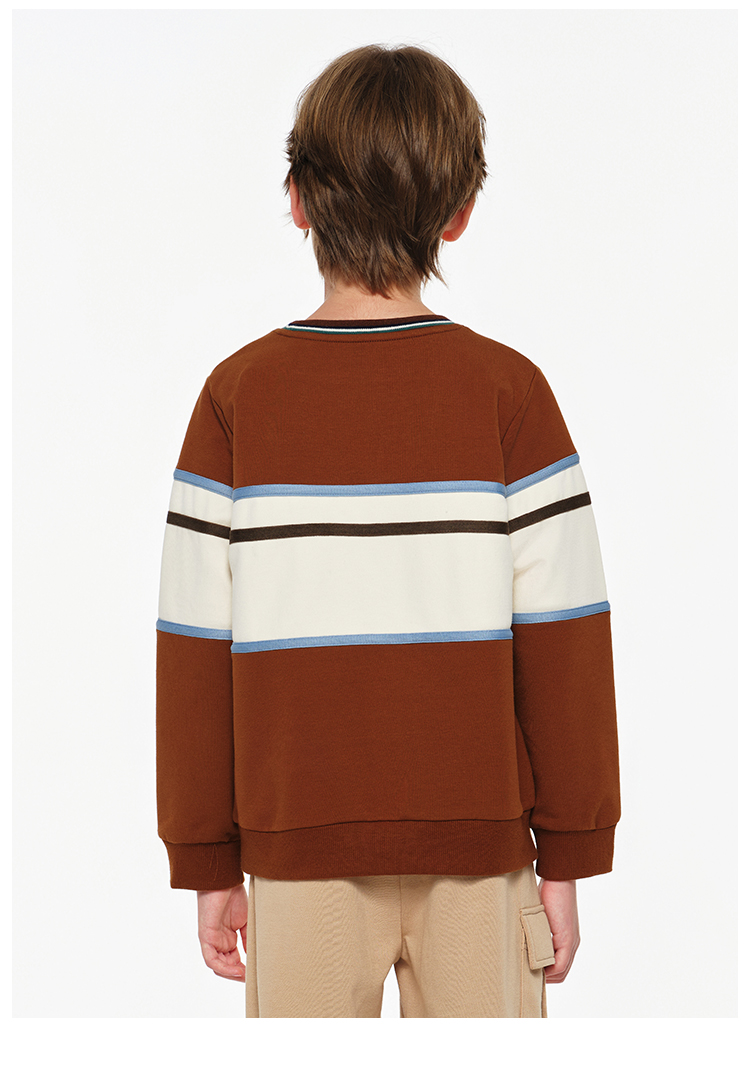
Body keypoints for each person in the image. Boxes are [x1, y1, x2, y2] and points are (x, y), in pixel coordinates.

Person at [155, 43, 620, 1019]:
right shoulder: (511, 395)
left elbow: (193, 647)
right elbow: (567, 639)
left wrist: (208, 859)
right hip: (486, 861)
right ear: (460, 212)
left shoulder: (236, 398)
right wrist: (569, 855)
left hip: (298, 862)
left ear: (297, 201)